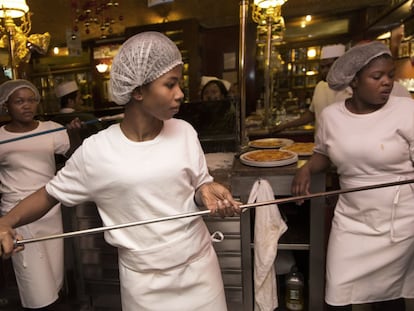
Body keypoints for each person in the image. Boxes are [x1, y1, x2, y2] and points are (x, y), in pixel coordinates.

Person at [0, 32, 241, 311]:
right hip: (144, 285)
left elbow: (198, 187)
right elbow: (48, 194)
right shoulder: (97, 151)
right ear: (138, 91)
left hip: (200, 270)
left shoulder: (185, 131)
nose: (180, 94)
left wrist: (205, 189)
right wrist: (7, 222)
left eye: (179, 83)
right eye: (170, 84)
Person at [291, 41, 414, 311]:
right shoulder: (331, 116)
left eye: (390, 75)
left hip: (398, 222)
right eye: (377, 76)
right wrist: (308, 168)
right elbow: (324, 152)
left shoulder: (406, 110)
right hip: (352, 220)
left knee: (389, 296)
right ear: (354, 80)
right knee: (337, 293)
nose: (387, 83)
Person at [0, 79, 82, 310]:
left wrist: (74, 135)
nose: (27, 106)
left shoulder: (51, 129)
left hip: (49, 211)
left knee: (53, 279)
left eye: (31, 100)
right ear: (7, 105)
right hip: (18, 216)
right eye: (19, 101)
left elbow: (74, 156)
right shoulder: (0, 137)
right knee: (36, 286)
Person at [272, 44, 346, 132]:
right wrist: (285, 126)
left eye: (329, 66)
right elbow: (311, 115)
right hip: (321, 143)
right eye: (322, 67)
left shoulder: (352, 89)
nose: (325, 70)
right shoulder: (320, 86)